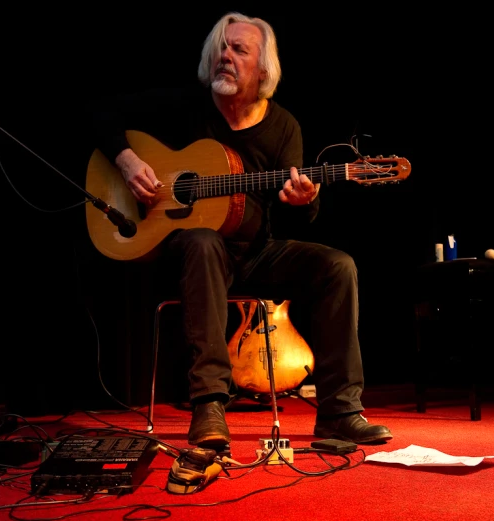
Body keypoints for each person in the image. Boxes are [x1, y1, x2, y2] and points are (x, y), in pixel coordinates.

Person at [88, 11, 392, 447]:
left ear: (263, 69)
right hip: (187, 258)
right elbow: (100, 111)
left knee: (338, 266)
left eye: (238, 49)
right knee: (202, 239)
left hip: (254, 254)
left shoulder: (283, 126)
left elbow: (292, 216)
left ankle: (340, 413)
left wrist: (304, 200)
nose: (224, 57)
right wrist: (127, 159)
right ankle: (210, 405)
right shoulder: (184, 106)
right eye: (220, 48)